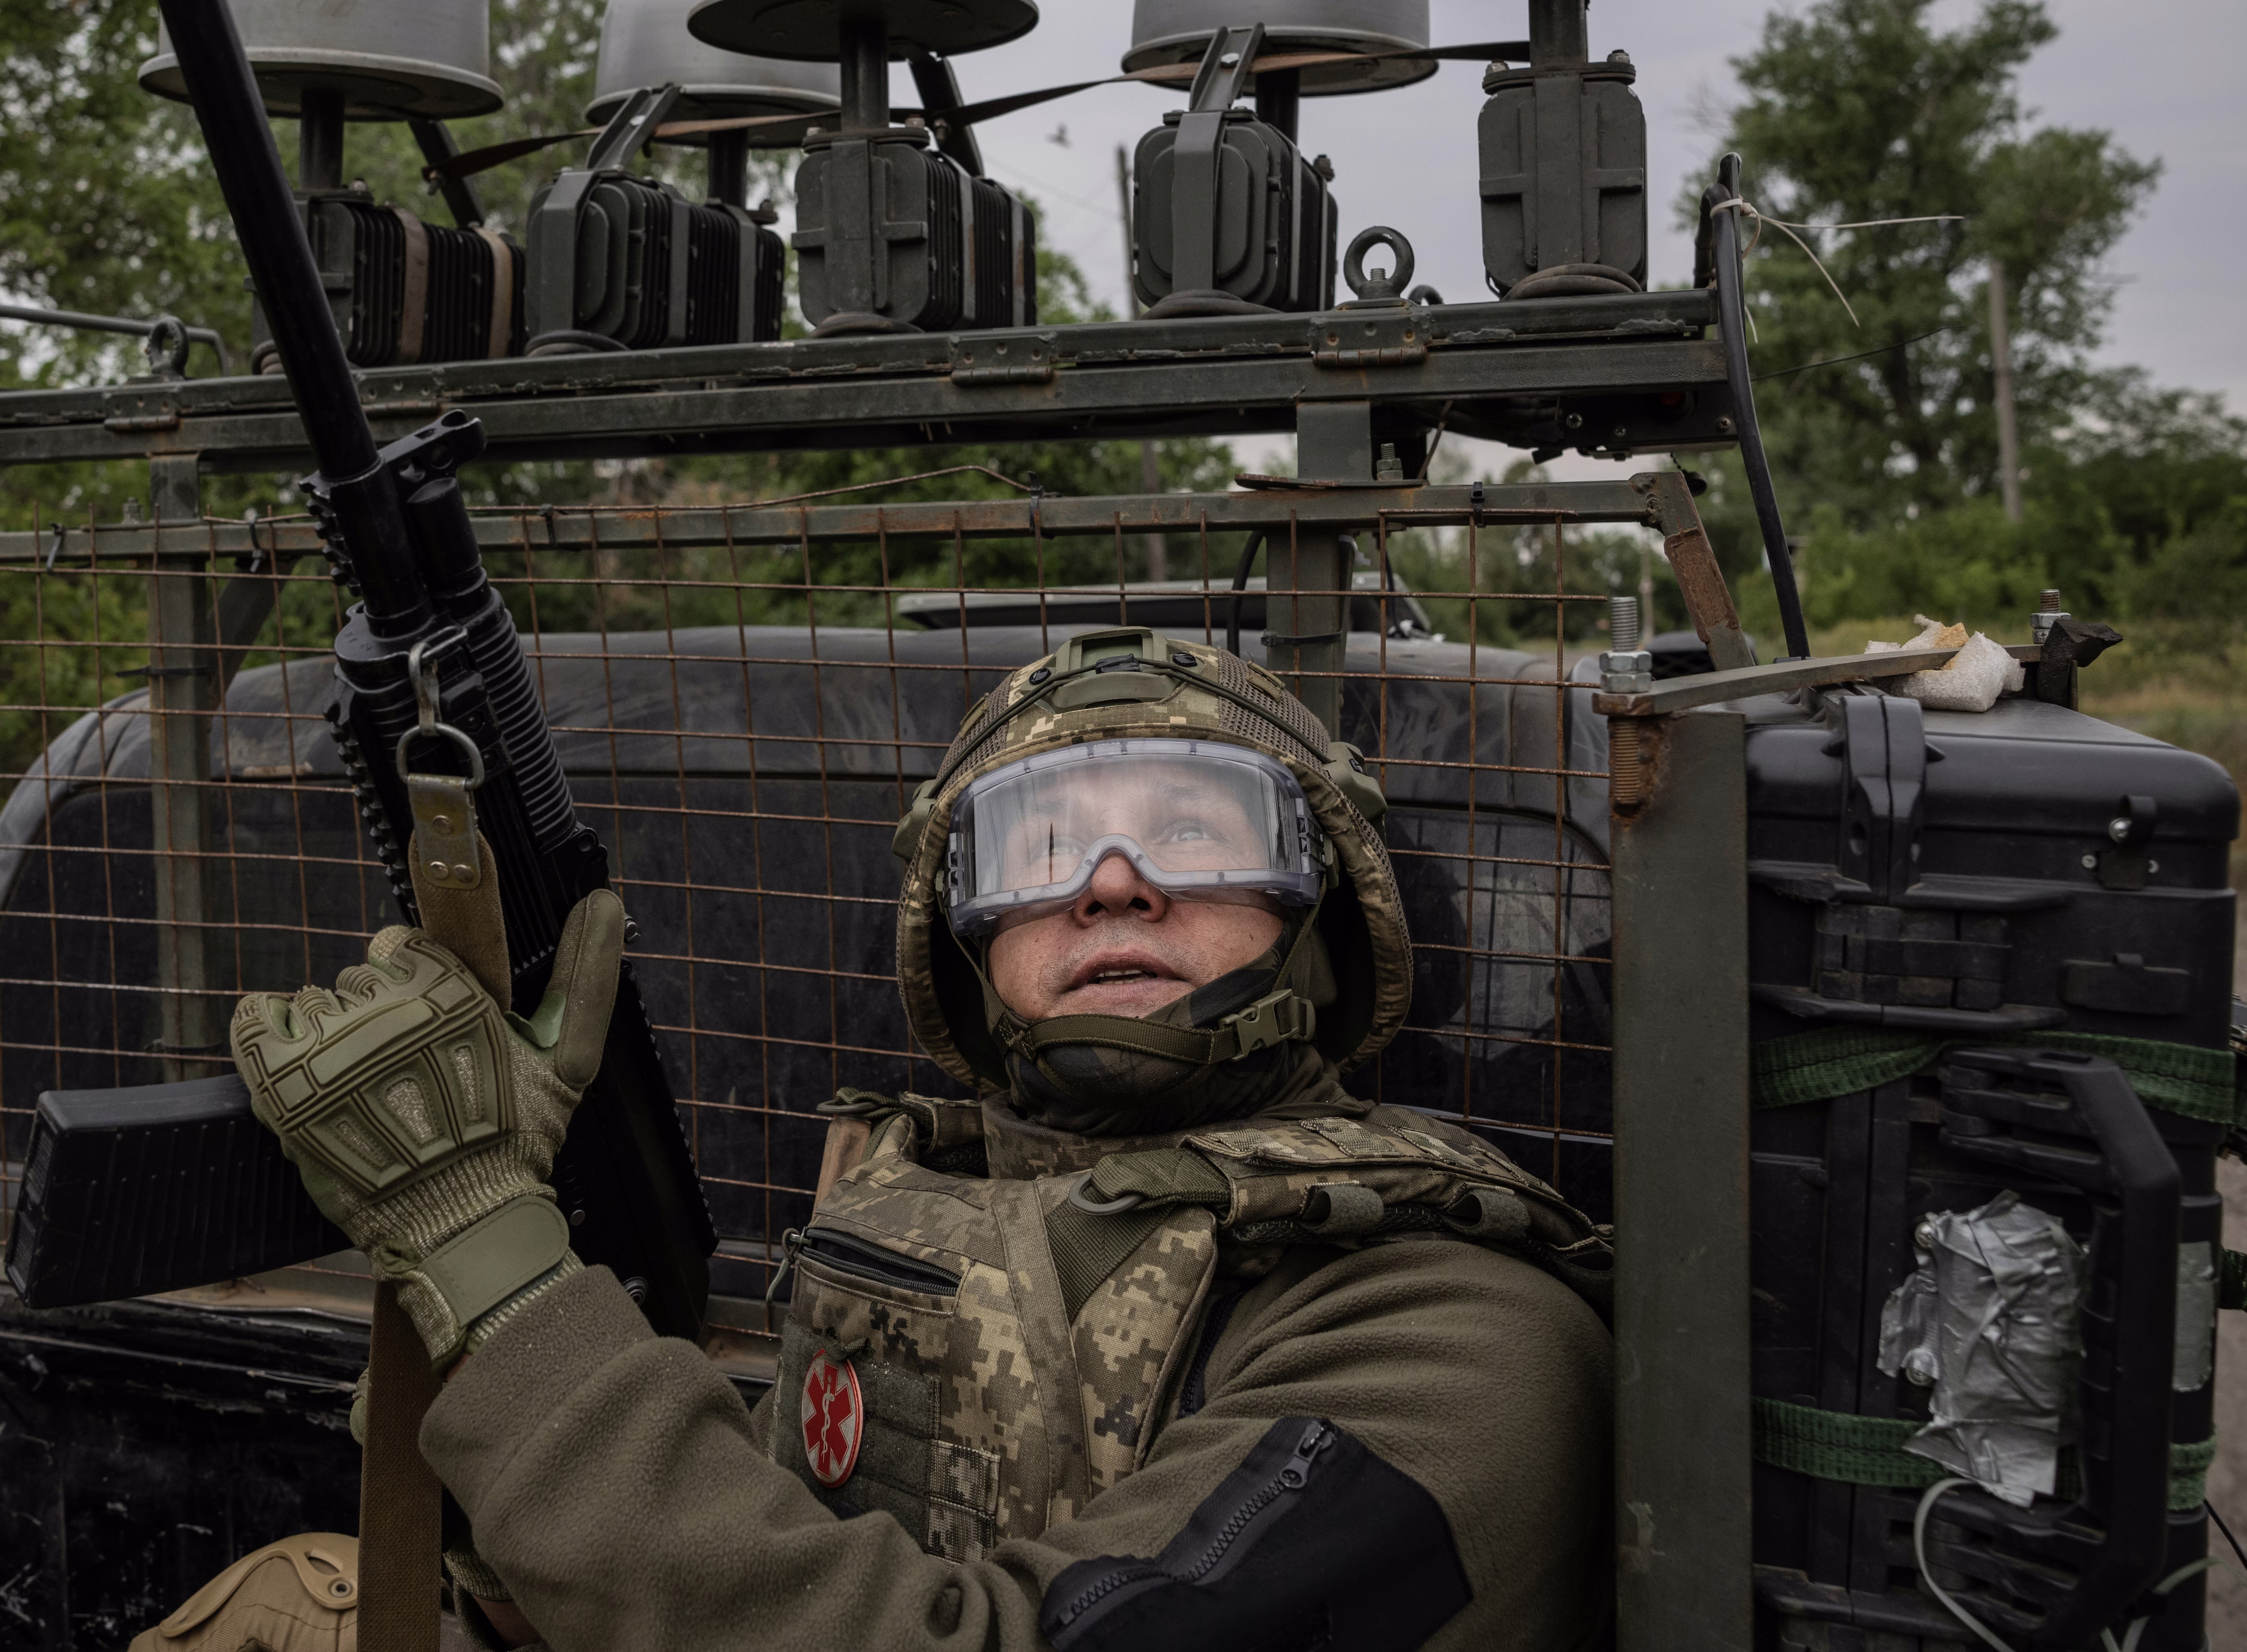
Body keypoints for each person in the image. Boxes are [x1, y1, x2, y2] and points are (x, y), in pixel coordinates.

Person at [230, 626, 1611, 1652]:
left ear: (1320, 907)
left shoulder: (1453, 1326)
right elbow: (702, 1567)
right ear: (967, 941)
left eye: (1196, 832)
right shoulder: (939, 1209)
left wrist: (494, 1260)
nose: (1115, 885)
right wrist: (468, 1334)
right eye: (1043, 847)